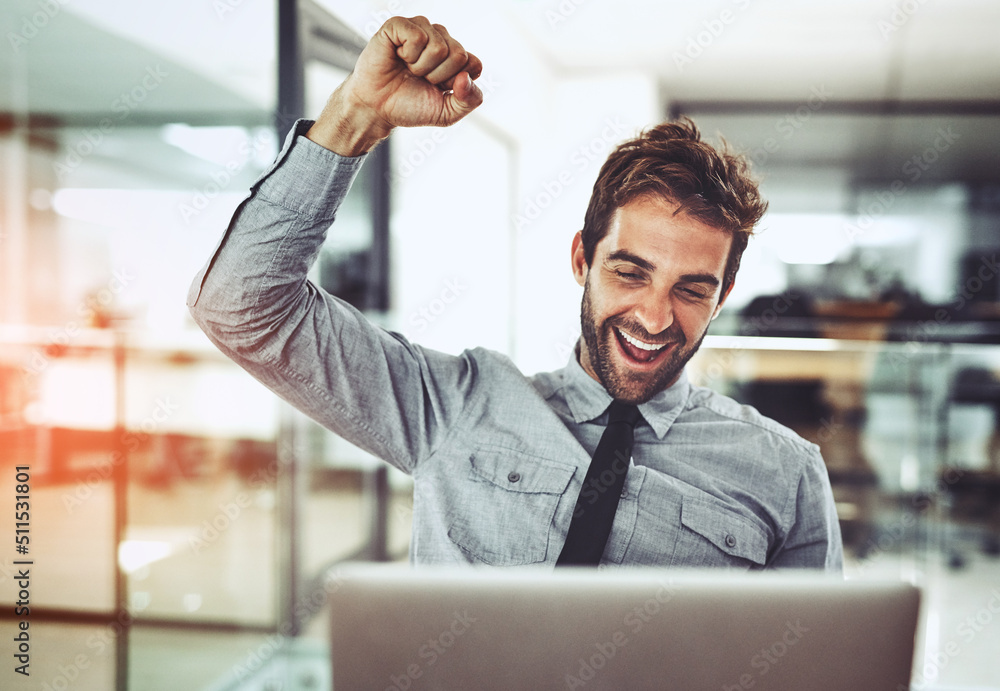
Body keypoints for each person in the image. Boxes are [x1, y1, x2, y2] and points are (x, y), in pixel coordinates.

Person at [188, 16, 842, 571]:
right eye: (630, 271)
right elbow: (240, 306)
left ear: (722, 296)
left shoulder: (786, 474)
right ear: (582, 259)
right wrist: (355, 117)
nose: (653, 315)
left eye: (692, 289)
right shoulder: (451, 405)